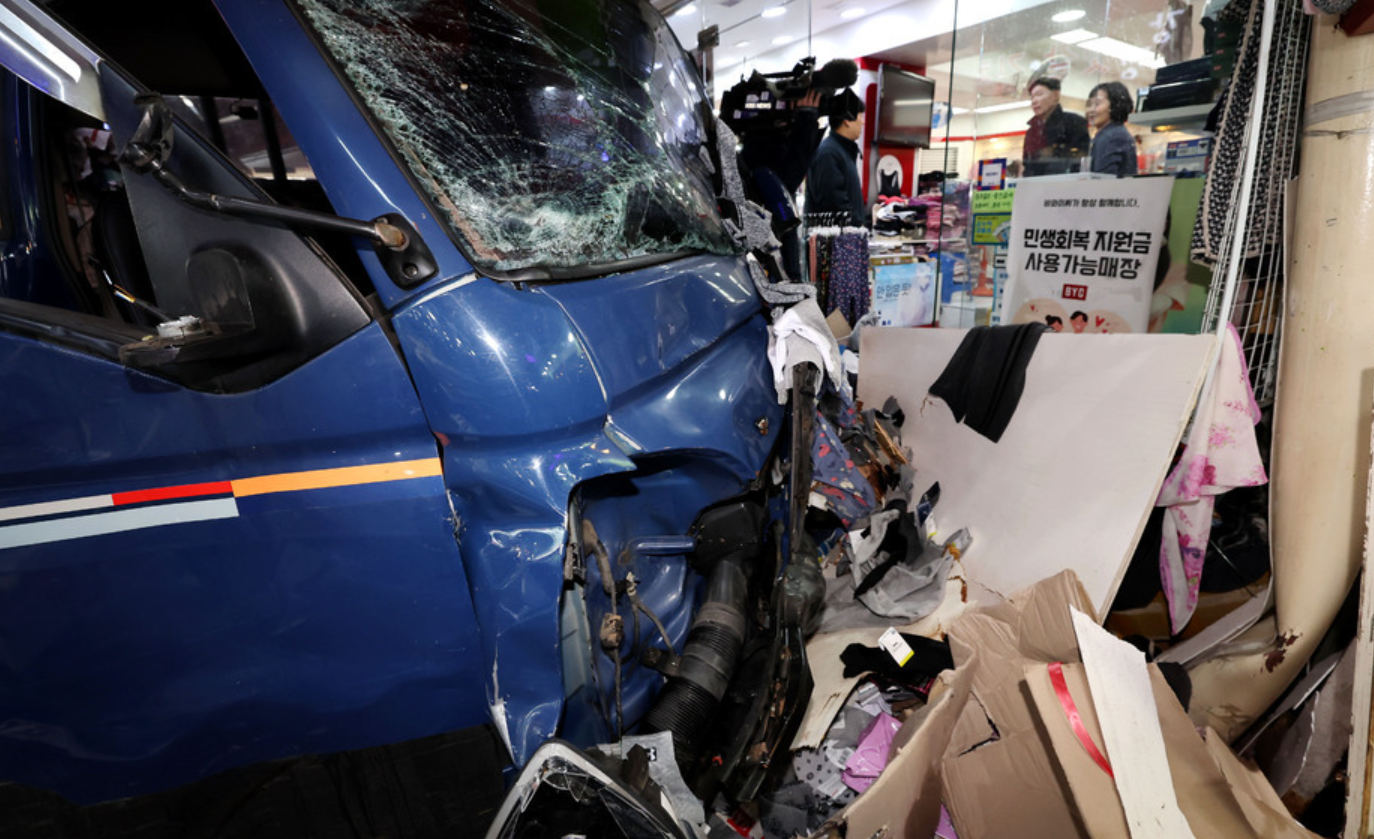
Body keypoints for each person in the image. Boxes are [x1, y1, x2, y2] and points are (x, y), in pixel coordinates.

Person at [804, 89, 868, 227]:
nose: (863, 122)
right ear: (847, 120)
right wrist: (859, 226)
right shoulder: (828, 153)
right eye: (860, 116)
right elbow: (834, 205)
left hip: (846, 241)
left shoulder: (841, 151)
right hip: (833, 245)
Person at [1021, 76, 1089, 177]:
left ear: (1056, 95)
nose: (1034, 101)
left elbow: (1080, 158)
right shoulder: (1031, 132)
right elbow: (1027, 165)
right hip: (1036, 188)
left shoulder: (1074, 122)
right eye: (1032, 97)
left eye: (1039, 94)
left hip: (1064, 185)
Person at [1086, 81, 1138, 177]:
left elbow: (1103, 180)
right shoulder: (1113, 133)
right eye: (1089, 104)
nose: (1090, 110)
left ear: (1114, 106)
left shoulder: (1112, 136)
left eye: (1097, 104)